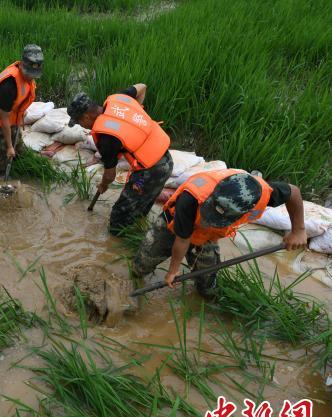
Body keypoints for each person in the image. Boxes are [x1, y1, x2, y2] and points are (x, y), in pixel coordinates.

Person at [133, 169, 307, 298]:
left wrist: (298, 230)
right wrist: (173, 271)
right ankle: (134, 283)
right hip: (174, 224)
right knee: (141, 266)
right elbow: (182, 239)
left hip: (207, 235)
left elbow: (293, 192)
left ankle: (205, 297)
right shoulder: (191, 197)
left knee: (207, 286)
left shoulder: (262, 193)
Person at [67, 85, 173, 235]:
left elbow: (110, 175)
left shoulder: (106, 137)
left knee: (118, 218)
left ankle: (121, 242)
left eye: (79, 123)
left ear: (86, 117)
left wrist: (103, 185)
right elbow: (142, 87)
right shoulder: (118, 99)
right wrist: (136, 115)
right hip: (167, 159)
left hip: (147, 175)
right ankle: (138, 231)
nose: (82, 126)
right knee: (141, 206)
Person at [0, 44, 43, 183]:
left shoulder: (26, 77)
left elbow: (19, 99)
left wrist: (21, 112)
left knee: (18, 151)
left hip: (11, 117)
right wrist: (9, 147)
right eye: (28, 74)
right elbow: (4, 120)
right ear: (21, 65)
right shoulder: (9, 85)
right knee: (0, 158)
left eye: (33, 74)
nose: (31, 77)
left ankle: (20, 177)